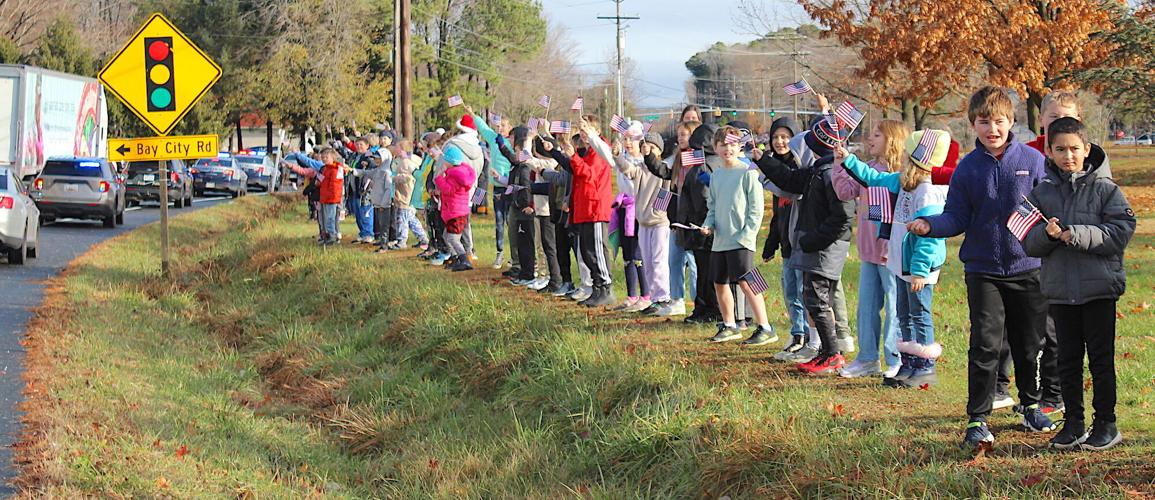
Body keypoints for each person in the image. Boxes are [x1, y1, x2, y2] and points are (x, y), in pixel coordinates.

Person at [907, 86, 1057, 449]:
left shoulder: (1034, 162)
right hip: (983, 270)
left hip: (1028, 267)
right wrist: (931, 226)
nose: (992, 128)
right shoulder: (967, 169)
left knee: (1028, 344)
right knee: (986, 344)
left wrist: (1053, 233)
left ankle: (1030, 405)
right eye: (984, 122)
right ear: (973, 124)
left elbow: (1050, 208)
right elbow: (956, 216)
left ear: (1012, 122)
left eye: (999, 121)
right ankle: (978, 417)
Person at [1022, 117, 1135, 451]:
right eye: (1060, 149)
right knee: (1066, 359)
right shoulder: (1041, 194)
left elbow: (1121, 230)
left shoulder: (1106, 189)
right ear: (1049, 151)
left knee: (1101, 360)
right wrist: (1048, 234)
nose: (1068, 155)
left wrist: (1076, 234)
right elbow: (1028, 240)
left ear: (1087, 149)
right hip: (1061, 291)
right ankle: (1073, 423)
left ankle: (1106, 424)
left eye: (1074, 148)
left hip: (1099, 289)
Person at [837, 129, 952, 387]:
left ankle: (925, 366)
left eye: (908, 153)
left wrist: (920, 270)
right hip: (900, 264)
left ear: (917, 157)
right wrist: (848, 160)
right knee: (903, 313)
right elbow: (874, 179)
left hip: (917, 268)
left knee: (919, 313)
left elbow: (929, 236)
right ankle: (908, 362)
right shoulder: (903, 182)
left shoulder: (927, 192)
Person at [752, 117, 855, 373]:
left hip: (825, 248)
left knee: (819, 300)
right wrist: (762, 159)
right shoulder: (818, 170)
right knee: (813, 298)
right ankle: (825, 351)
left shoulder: (833, 173)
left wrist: (812, 239)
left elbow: (843, 217)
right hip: (815, 246)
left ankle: (832, 354)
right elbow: (789, 179)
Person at [831, 120, 909, 379]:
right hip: (868, 250)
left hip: (891, 252)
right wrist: (839, 163)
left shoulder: (903, 173)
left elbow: (899, 212)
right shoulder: (867, 168)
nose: (870, 139)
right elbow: (844, 191)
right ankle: (867, 358)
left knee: (894, 307)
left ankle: (895, 358)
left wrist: (890, 242)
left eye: (877, 134)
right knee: (867, 307)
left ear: (893, 139)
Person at [700, 126, 776, 344]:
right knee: (719, 282)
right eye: (723, 144)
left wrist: (747, 235)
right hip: (720, 241)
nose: (728, 149)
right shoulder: (716, 176)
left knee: (748, 281)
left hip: (742, 239)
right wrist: (708, 225)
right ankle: (730, 324)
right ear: (715, 147)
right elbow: (712, 207)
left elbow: (756, 209)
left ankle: (765, 326)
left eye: (732, 144)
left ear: (740, 145)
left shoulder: (749, 171)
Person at [758, 117, 812, 357]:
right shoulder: (773, 167)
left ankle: (807, 336)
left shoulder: (797, 169)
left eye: (785, 137)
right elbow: (778, 212)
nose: (780, 142)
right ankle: (796, 332)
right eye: (775, 137)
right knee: (789, 290)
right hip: (786, 242)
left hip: (802, 239)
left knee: (802, 291)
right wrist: (771, 243)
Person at [647, 120, 702, 318]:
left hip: (692, 219)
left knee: (694, 263)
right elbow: (664, 173)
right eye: (679, 134)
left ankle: (698, 301)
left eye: (684, 134)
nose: (680, 138)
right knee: (674, 260)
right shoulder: (678, 158)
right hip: (677, 219)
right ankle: (677, 299)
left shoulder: (697, 158)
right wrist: (649, 157)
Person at [615, 129, 673, 314]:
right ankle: (653, 298)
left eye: (652, 147)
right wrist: (617, 155)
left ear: (659, 150)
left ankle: (663, 297)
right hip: (643, 222)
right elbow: (627, 169)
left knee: (658, 261)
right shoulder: (639, 169)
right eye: (644, 146)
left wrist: (657, 211)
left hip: (659, 222)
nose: (647, 149)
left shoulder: (663, 169)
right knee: (647, 261)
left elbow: (666, 193)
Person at [567, 116, 617, 307]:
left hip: (595, 208)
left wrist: (574, 157)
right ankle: (597, 287)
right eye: (581, 131)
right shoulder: (588, 152)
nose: (583, 135)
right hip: (585, 208)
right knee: (587, 251)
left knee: (597, 250)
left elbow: (589, 174)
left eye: (586, 130)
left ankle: (605, 286)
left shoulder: (600, 151)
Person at [432, 146, 476, 271]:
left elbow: (448, 190)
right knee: (447, 235)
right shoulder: (461, 173)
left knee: (453, 238)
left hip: (456, 211)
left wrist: (439, 177)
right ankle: (455, 257)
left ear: (450, 162)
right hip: (458, 210)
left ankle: (464, 259)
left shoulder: (455, 174)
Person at [390, 138, 429, 250]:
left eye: (397, 147)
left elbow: (411, 177)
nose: (395, 149)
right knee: (410, 218)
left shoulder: (407, 162)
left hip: (406, 195)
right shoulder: (402, 161)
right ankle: (423, 238)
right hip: (405, 194)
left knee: (403, 217)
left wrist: (394, 178)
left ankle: (402, 240)